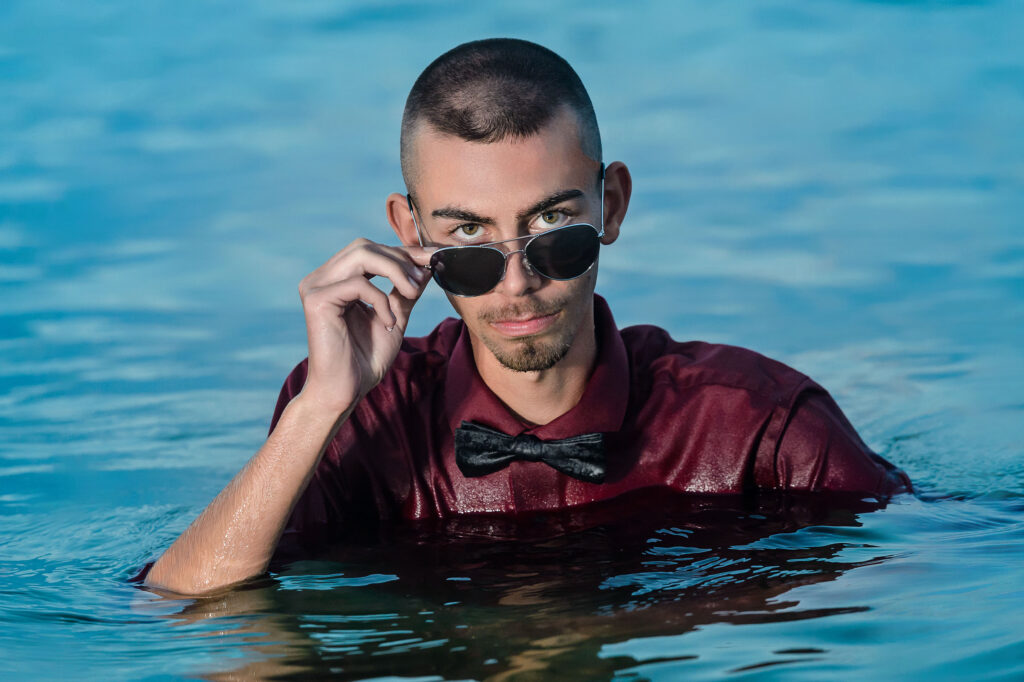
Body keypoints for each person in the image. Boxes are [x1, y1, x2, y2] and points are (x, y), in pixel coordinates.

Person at [143, 38, 910, 596]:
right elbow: (182, 606)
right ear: (410, 234)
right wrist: (319, 409)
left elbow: (926, 581)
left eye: (552, 230)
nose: (515, 283)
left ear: (611, 206)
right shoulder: (353, 417)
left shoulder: (763, 431)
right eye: (468, 239)